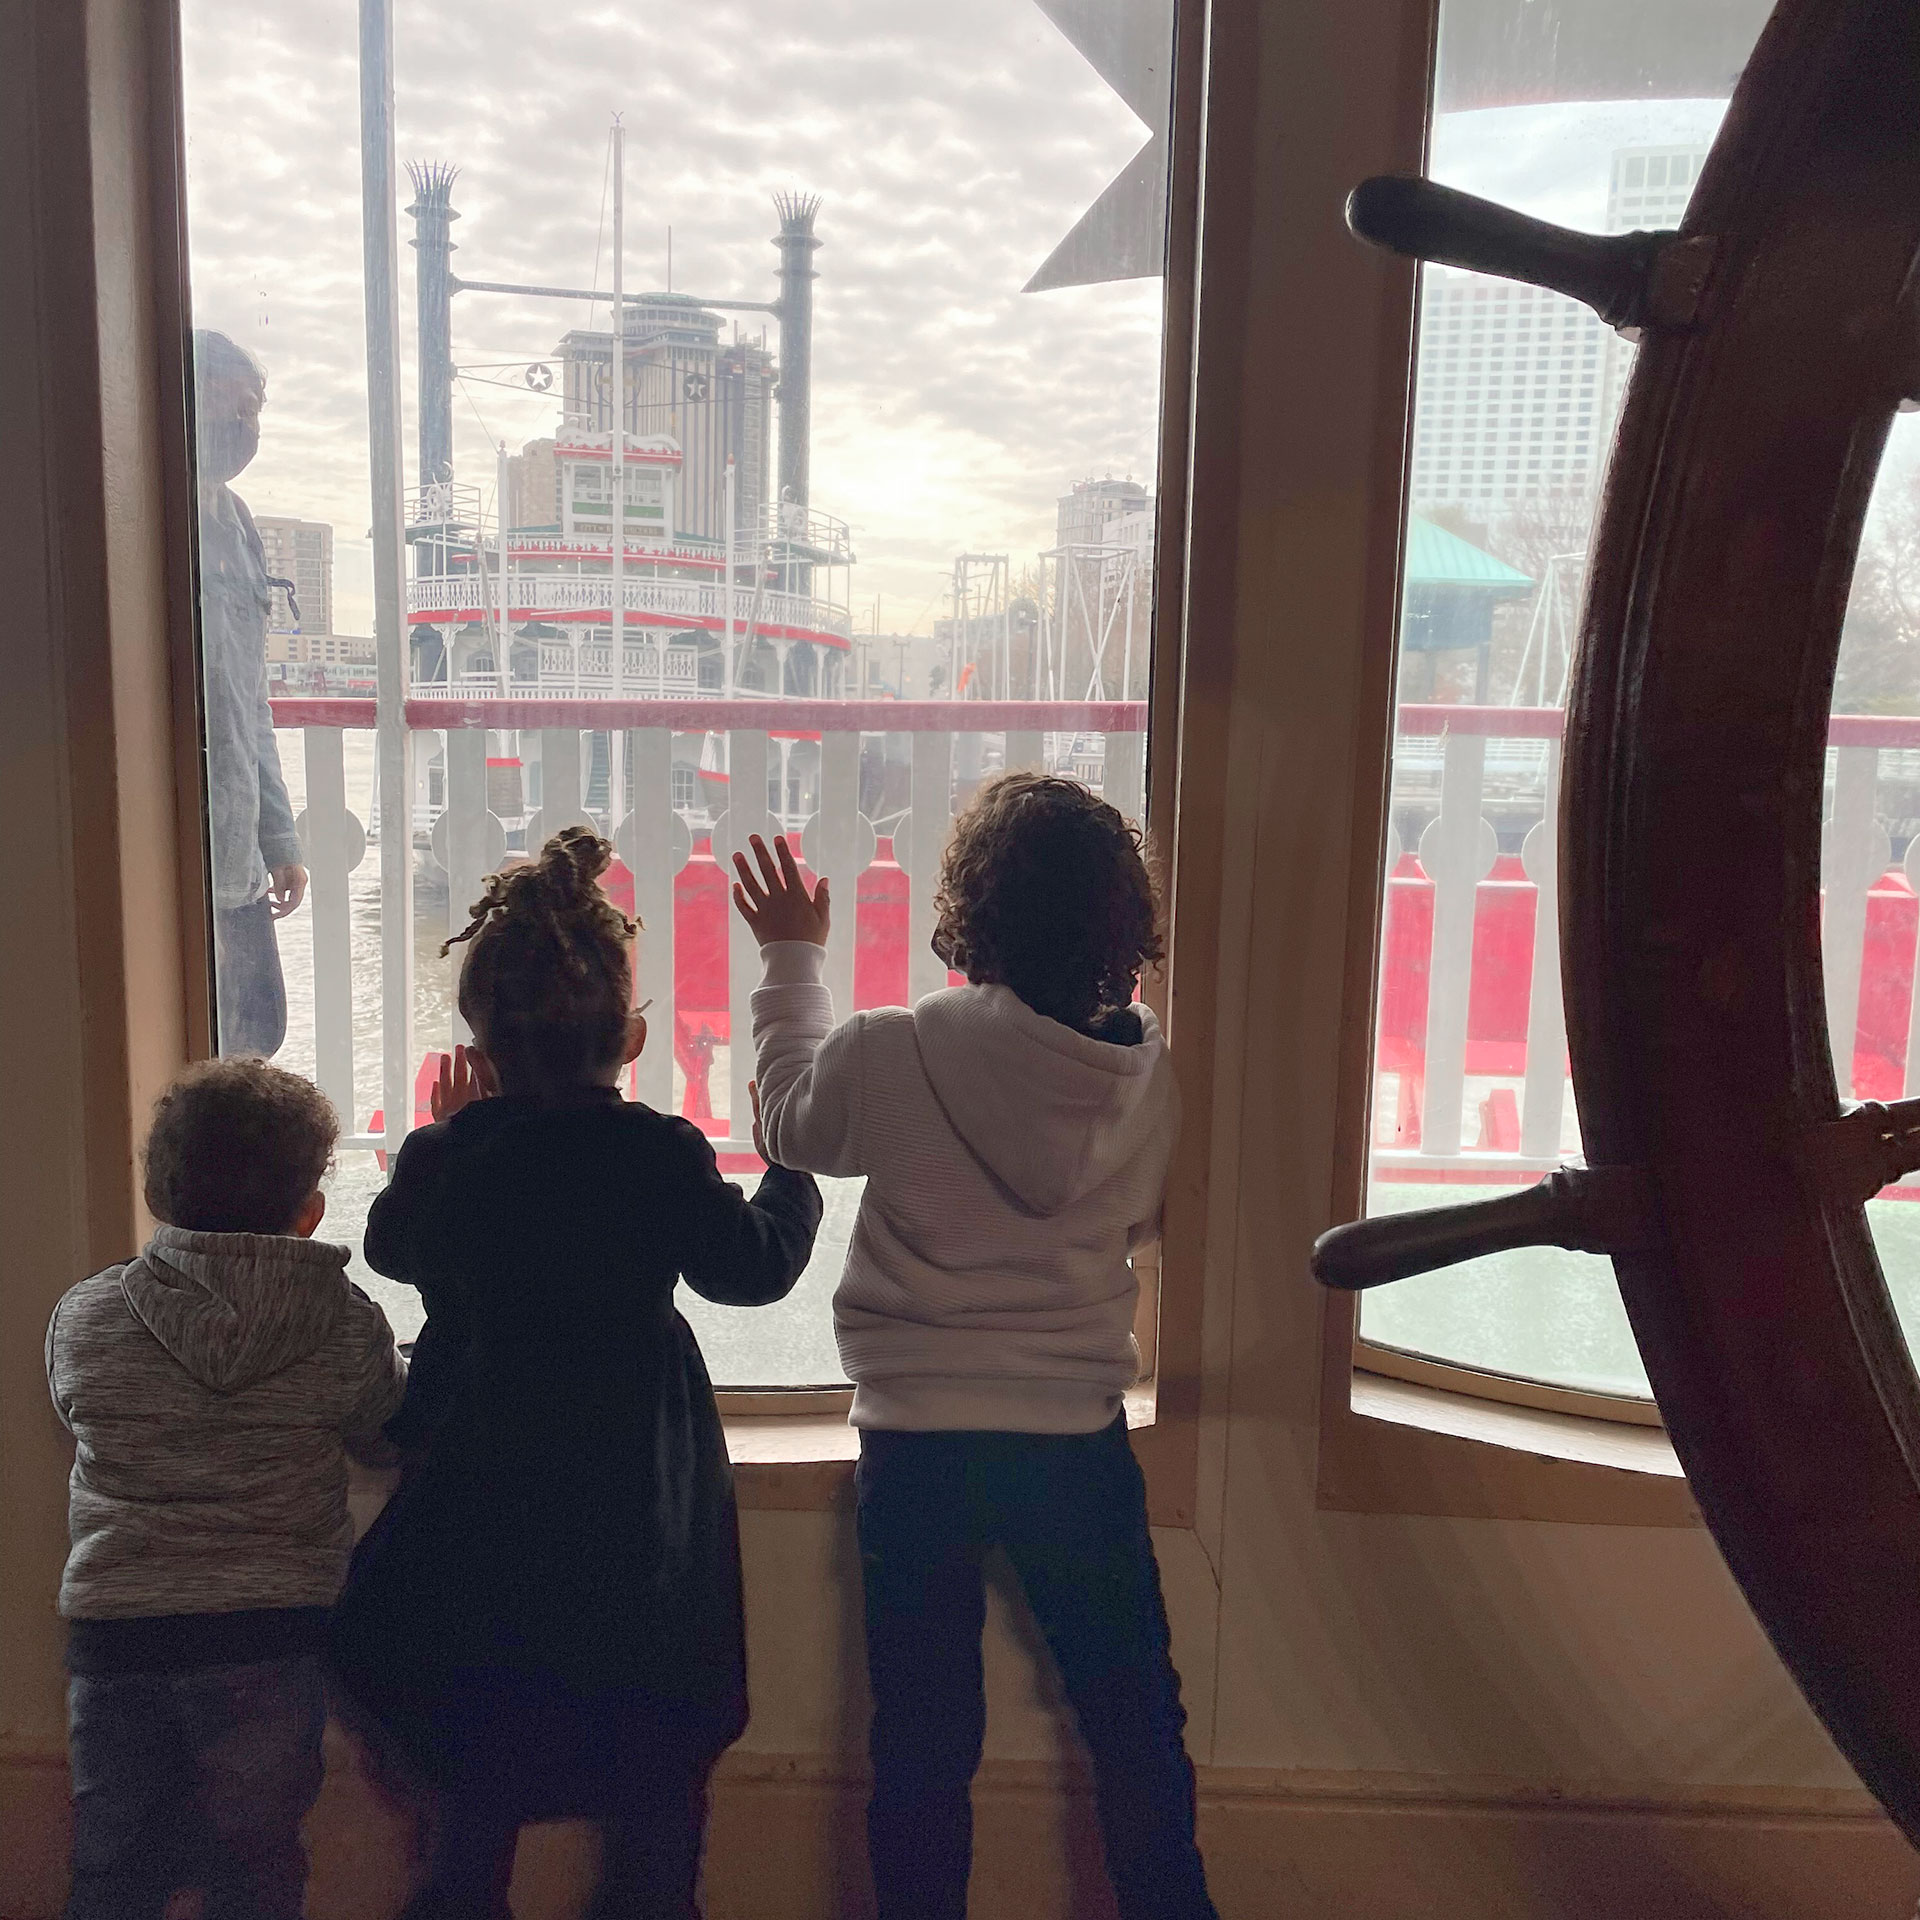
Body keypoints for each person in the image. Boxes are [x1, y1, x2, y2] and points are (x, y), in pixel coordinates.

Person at [733, 774, 1218, 1920]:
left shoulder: (894, 1050)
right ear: (1121, 930)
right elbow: (1146, 1222)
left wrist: (793, 956)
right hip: (1077, 1439)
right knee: (1135, 1723)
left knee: (921, 1741)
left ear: (969, 914)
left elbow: (789, 1121)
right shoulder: (1146, 1083)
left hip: (917, 1445)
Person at [328, 826, 822, 1920]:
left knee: (476, 1755)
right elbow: (752, 1272)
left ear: (478, 1040)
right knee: (657, 1754)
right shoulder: (657, 1149)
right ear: (631, 1036)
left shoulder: (453, 1156)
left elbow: (393, 1250)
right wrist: (791, 1171)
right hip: (633, 1500)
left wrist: (446, 1136)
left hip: (484, 1502)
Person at [45, 1059, 408, 1920]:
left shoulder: (86, 1314)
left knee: (113, 1868)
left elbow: (72, 1407)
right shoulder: (345, 1321)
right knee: (256, 1869)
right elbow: (383, 1430)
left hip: (117, 1637)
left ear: (158, 1193)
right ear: (309, 1210)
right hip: (270, 1637)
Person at [193, 329, 307, 1057]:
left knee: (258, 1032)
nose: (245, 424)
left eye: (254, 408)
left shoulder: (237, 525)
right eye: (230, 404)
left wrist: (279, 839)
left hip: (237, 862)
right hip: (178, 855)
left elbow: (250, 702)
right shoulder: (140, 517)